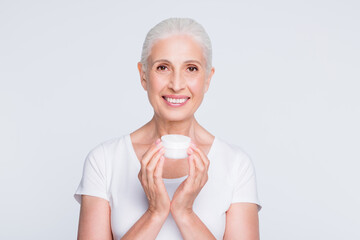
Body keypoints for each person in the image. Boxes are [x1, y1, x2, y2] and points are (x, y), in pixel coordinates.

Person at [74, 17, 261, 239]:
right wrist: (155, 213)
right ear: (143, 75)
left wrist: (185, 213)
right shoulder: (104, 160)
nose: (176, 84)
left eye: (191, 68)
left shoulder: (236, 165)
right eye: (163, 67)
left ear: (208, 78)